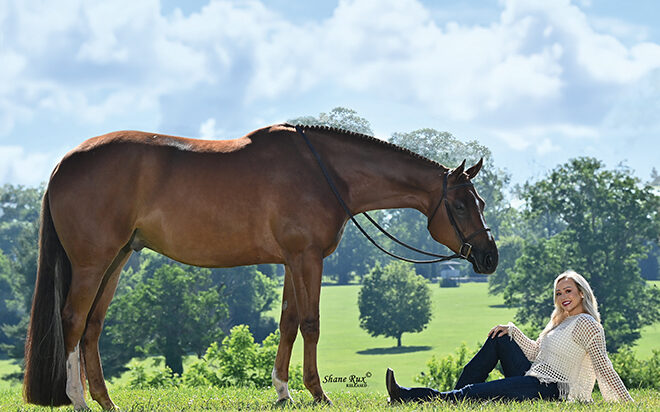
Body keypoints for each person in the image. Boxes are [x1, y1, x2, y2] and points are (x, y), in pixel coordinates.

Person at [385, 270, 633, 403]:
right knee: (499, 337)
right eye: (558, 293)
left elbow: (604, 366)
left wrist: (629, 403)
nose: (562, 297)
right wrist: (513, 331)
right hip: (534, 376)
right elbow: (536, 352)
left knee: (476, 392)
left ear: (581, 293)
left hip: (553, 391)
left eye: (568, 291)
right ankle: (454, 398)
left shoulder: (587, 323)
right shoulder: (560, 321)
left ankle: (409, 396)